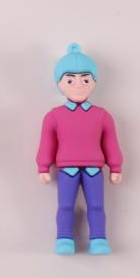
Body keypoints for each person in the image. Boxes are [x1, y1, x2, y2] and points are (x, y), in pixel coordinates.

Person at [36, 43, 123, 255]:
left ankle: (99, 239)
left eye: (85, 79)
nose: (78, 85)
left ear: (94, 81)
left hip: (94, 169)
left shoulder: (102, 115)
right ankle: (64, 238)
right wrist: (43, 166)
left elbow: (111, 142)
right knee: (65, 206)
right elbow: (47, 143)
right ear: (60, 83)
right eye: (70, 80)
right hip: (67, 169)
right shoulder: (54, 116)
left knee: (96, 206)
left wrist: (116, 166)